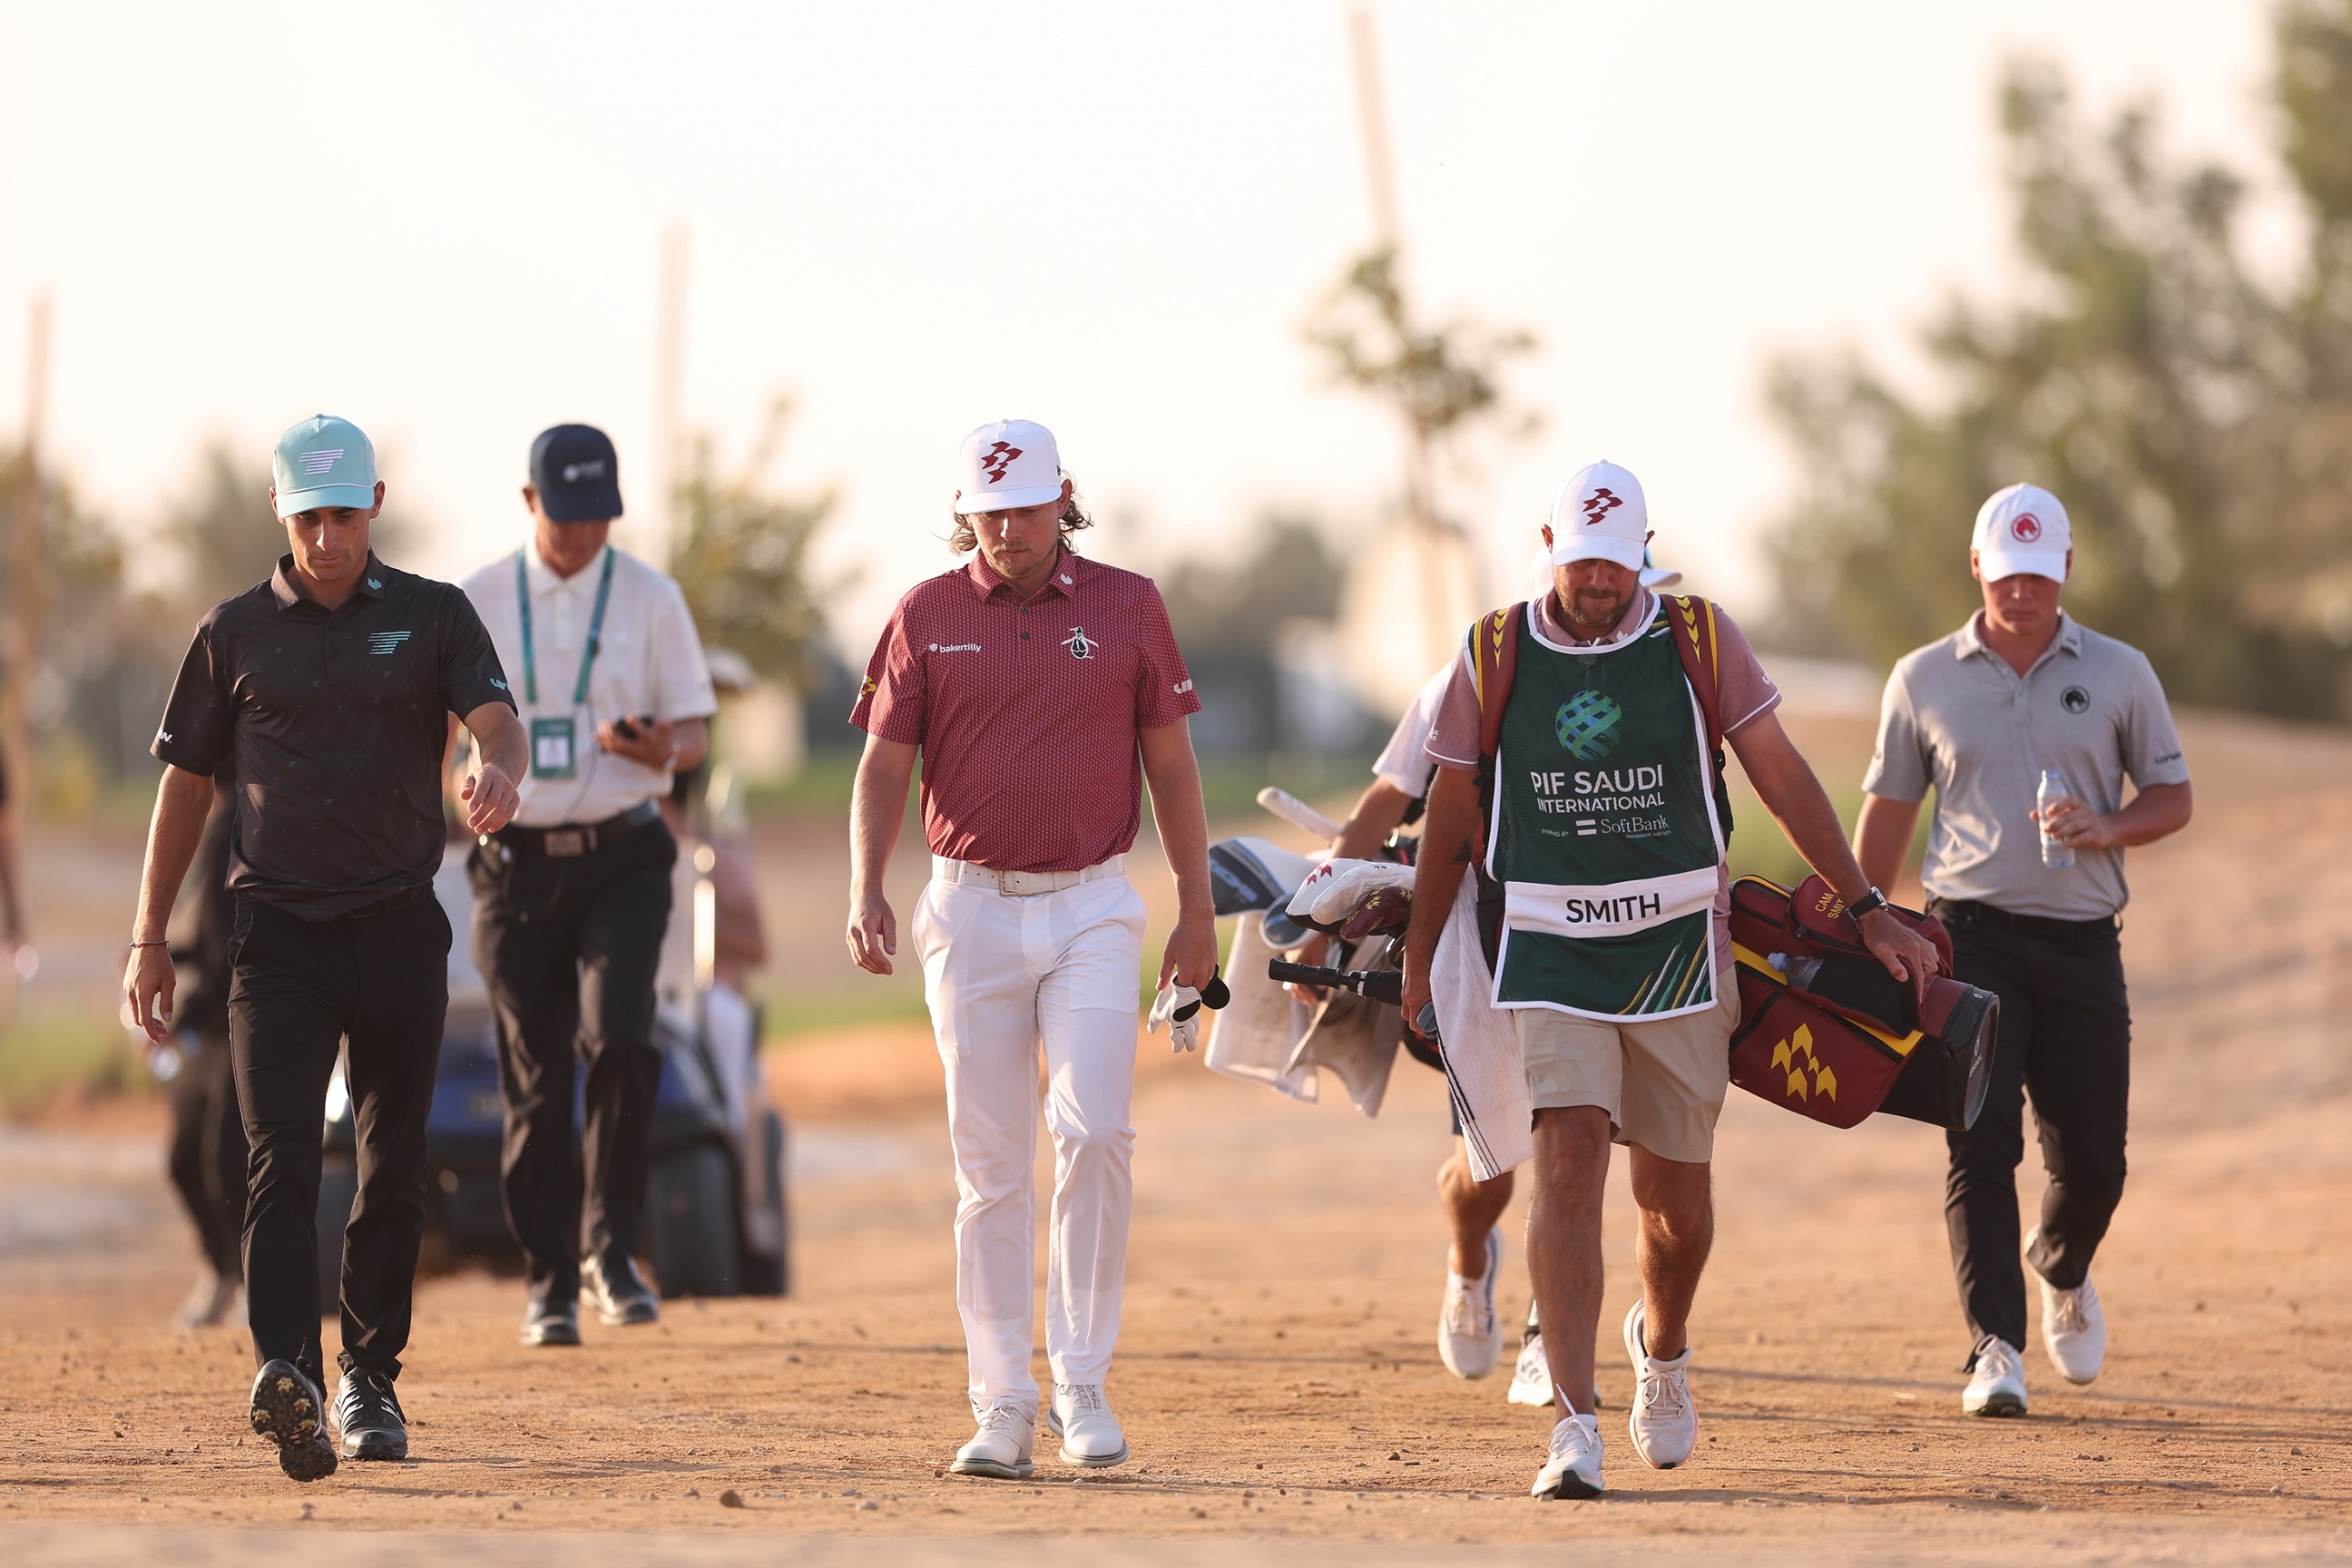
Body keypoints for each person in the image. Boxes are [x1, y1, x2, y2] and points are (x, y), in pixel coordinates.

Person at [1400, 461, 1942, 1501]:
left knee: (1674, 1205)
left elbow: (1781, 776)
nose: (1598, 585)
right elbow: (1455, 817)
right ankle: (1571, 1421)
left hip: (1682, 956)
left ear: (1642, 554)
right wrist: (1425, 955)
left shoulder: (1698, 640)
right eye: (1581, 564)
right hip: (1550, 950)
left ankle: (1664, 1344)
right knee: (1565, 1168)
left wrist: (1867, 906)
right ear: (1548, 546)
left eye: (1616, 565)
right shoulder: (1495, 649)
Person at [123, 414, 524, 1483]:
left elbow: (497, 716)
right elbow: (186, 785)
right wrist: (147, 938)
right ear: (280, 512)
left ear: (375, 507)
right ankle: (290, 1375)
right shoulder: (233, 632)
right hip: (277, 940)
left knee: (393, 1165)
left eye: (344, 514)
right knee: (282, 1159)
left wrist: (497, 768)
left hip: (397, 927)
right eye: (309, 517)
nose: (328, 537)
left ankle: (371, 1378)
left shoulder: (434, 616)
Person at [845, 418, 1215, 1480]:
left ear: (1066, 499)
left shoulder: (1129, 604)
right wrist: (866, 885)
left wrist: (1196, 911)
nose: (1008, 529)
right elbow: (881, 767)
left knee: (1097, 1132)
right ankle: (1002, 1399)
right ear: (967, 512)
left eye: (1027, 507)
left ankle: (1082, 1381)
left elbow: (1173, 769)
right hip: (969, 913)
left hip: (1095, 905)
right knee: (991, 1169)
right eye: (989, 511)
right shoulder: (923, 612)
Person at [1852, 483, 2191, 1418]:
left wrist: (2107, 826)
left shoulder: (2121, 673)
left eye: (2039, 576)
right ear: (1978, 569)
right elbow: (1885, 818)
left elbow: (2174, 797)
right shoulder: (1923, 677)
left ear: (2066, 571)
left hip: (2084, 944)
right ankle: (1994, 1347)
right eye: (2007, 575)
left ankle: (2064, 1265)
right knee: (1979, 1139)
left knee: (2095, 1163)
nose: (2023, 593)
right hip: (1970, 941)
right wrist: (1860, 922)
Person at [457, 424, 715, 1348]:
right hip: (516, 865)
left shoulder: (651, 597)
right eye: (566, 519)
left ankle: (612, 1250)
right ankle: (549, 1283)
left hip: (624, 855)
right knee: (534, 1076)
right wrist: (465, 781)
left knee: (617, 1040)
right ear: (530, 504)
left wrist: (663, 750)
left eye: (598, 518)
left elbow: (693, 734)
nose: (582, 536)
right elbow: (447, 734)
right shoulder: (477, 599)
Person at [161, 768, 249, 1331]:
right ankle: (221, 1271)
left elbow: (230, 947)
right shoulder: (213, 826)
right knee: (183, 1156)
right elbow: (209, 939)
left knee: (228, 1153)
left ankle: (251, 1283)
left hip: (244, 1015)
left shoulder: (247, 822)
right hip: (207, 1022)